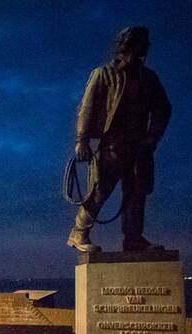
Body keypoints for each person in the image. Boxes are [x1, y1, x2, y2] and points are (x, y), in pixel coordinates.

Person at [67, 26, 171, 253]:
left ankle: (133, 238)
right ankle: (79, 232)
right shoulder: (103, 73)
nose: (147, 47)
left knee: (136, 192)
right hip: (112, 143)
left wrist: (152, 138)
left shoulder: (149, 79)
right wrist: (81, 140)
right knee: (100, 189)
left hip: (140, 145)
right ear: (131, 45)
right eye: (143, 43)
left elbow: (163, 108)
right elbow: (86, 107)